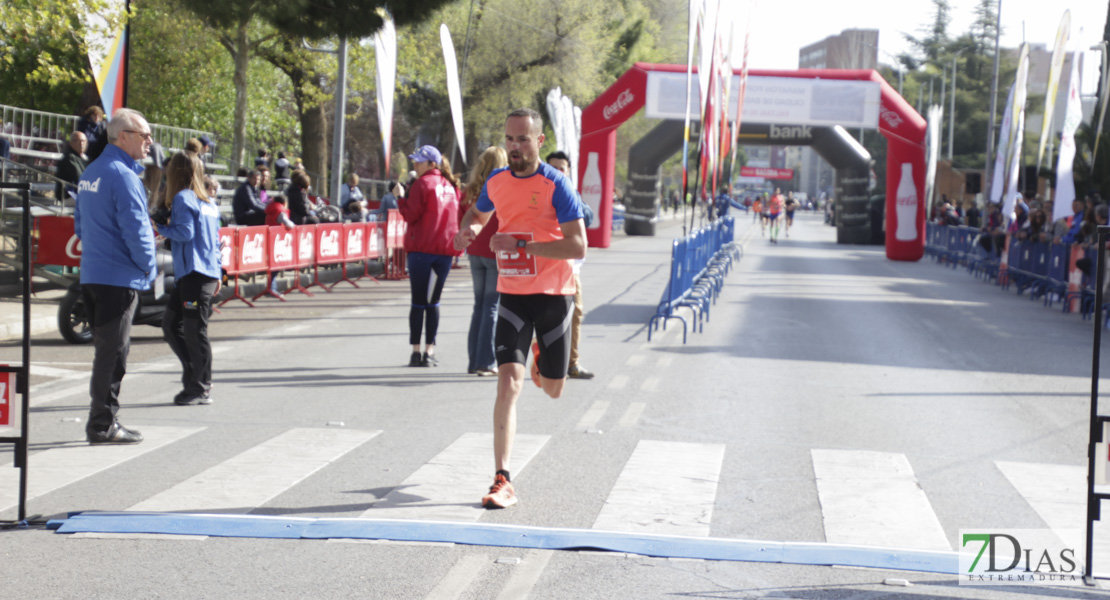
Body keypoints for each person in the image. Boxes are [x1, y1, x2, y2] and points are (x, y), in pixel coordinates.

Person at [454, 108, 586, 509]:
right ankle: (502, 478)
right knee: (508, 382)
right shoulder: (496, 181)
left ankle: (542, 361)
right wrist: (470, 230)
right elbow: (478, 214)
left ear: (539, 141)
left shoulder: (556, 185)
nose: (514, 147)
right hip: (511, 293)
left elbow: (578, 245)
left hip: (554, 294)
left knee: (553, 387)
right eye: (509, 139)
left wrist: (523, 246)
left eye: (523, 140)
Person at [73, 108, 157, 445]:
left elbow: (81, 224)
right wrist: (148, 266)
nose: (149, 141)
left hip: (94, 272)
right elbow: (136, 232)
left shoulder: (92, 171)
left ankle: (102, 421)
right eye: (143, 135)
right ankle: (102, 424)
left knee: (106, 352)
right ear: (123, 137)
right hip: (117, 278)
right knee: (113, 355)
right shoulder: (123, 175)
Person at [154, 152, 222, 406]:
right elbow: (216, 241)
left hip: (194, 273)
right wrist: (219, 272)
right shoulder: (209, 203)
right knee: (175, 326)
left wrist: (160, 227)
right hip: (200, 273)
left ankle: (200, 384)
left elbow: (184, 233)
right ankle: (195, 376)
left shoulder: (183, 198)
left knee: (192, 331)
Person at [398, 145, 460, 367]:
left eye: (419, 161)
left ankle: (416, 352)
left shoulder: (422, 184)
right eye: (414, 161)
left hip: (421, 252)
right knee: (433, 302)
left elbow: (410, 215)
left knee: (418, 303)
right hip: (443, 253)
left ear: (432, 164)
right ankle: (429, 351)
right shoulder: (452, 187)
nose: (415, 165)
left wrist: (400, 198)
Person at [547, 150, 594, 380]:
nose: (557, 172)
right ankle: (543, 361)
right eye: (552, 167)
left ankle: (572, 363)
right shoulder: (539, 192)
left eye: (561, 168)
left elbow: (589, 218)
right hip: (545, 265)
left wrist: (571, 195)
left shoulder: (571, 192)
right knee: (544, 316)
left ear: (567, 171)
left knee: (576, 313)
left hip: (570, 267)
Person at [462, 147, 508, 376]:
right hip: (494, 252)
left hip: (475, 250)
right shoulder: (503, 187)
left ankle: (474, 361)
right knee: (491, 306)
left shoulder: (472, 189)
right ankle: (485, 361)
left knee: (479, 306)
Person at [55, 131, 88, 201]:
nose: (81, 144)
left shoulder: (85, 158)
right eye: (77, 141)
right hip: (69, 196)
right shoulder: (69, 158)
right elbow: (78, 177)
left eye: (83, 141)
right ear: (71, 143)